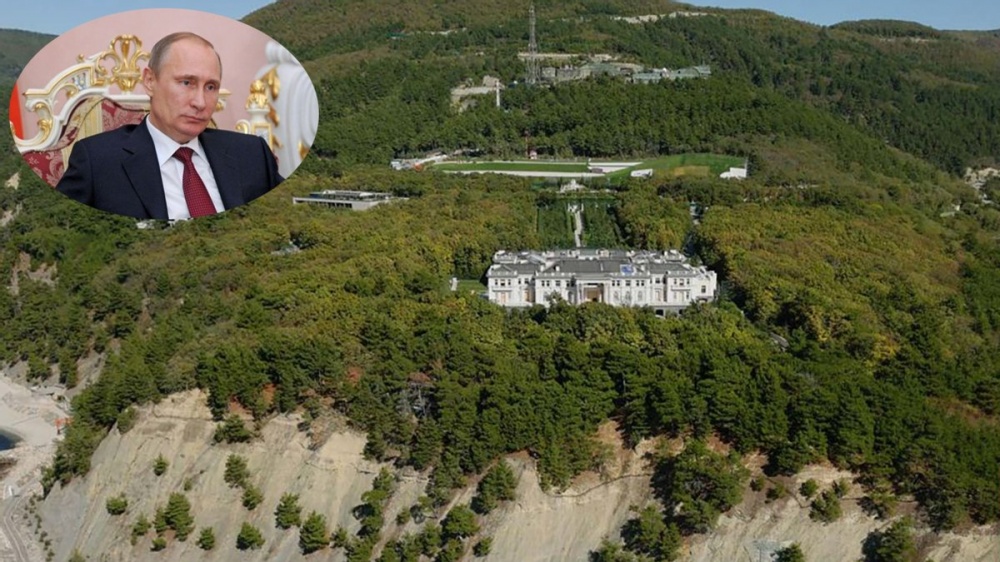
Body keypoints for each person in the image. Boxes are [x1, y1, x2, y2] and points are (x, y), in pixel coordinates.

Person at [56, 32, 283, 220]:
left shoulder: (252, 154)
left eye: (211, 87)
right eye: (186, 82)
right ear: (150, 81)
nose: (200, 102)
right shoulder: (97, 162)